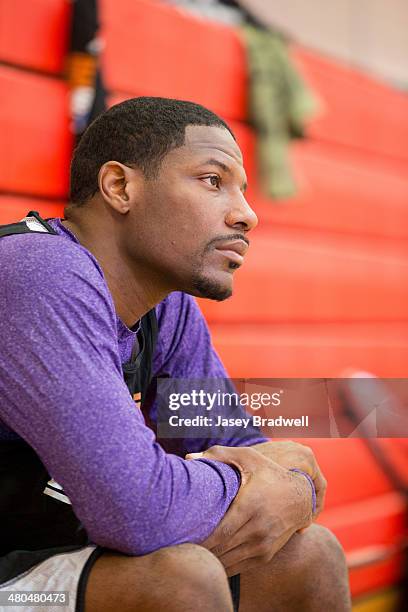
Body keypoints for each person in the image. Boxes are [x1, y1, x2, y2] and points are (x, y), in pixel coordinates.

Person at [0, 97, 351, 611]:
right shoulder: (39, 276)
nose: (246, 214)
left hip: (34, 559)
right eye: (213, 181)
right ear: (121, 187)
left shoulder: (167, 310)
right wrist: (257, 482)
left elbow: (242, 444)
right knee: (179, 579)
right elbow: (136, 509)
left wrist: (292, 487)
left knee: (308, 555)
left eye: (244, 192)